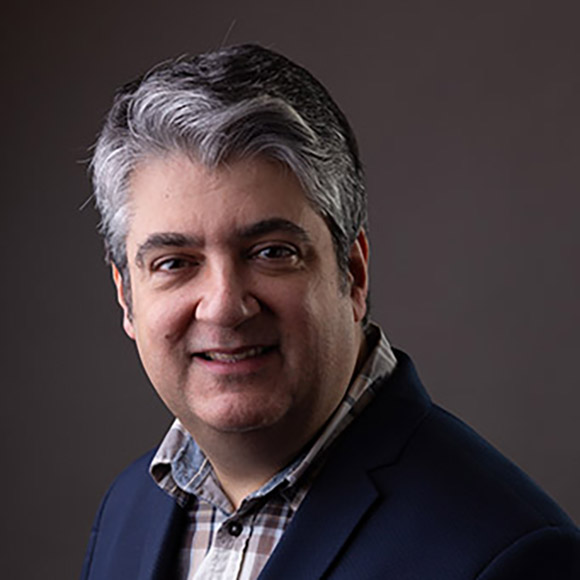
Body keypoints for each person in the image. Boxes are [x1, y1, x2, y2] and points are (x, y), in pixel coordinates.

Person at [81, 44, 580, 579]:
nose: (224, 306)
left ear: (353, 273)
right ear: (126, 296)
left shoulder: (509, 554)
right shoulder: (128, 511)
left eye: (271, 252)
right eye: (175, 263)